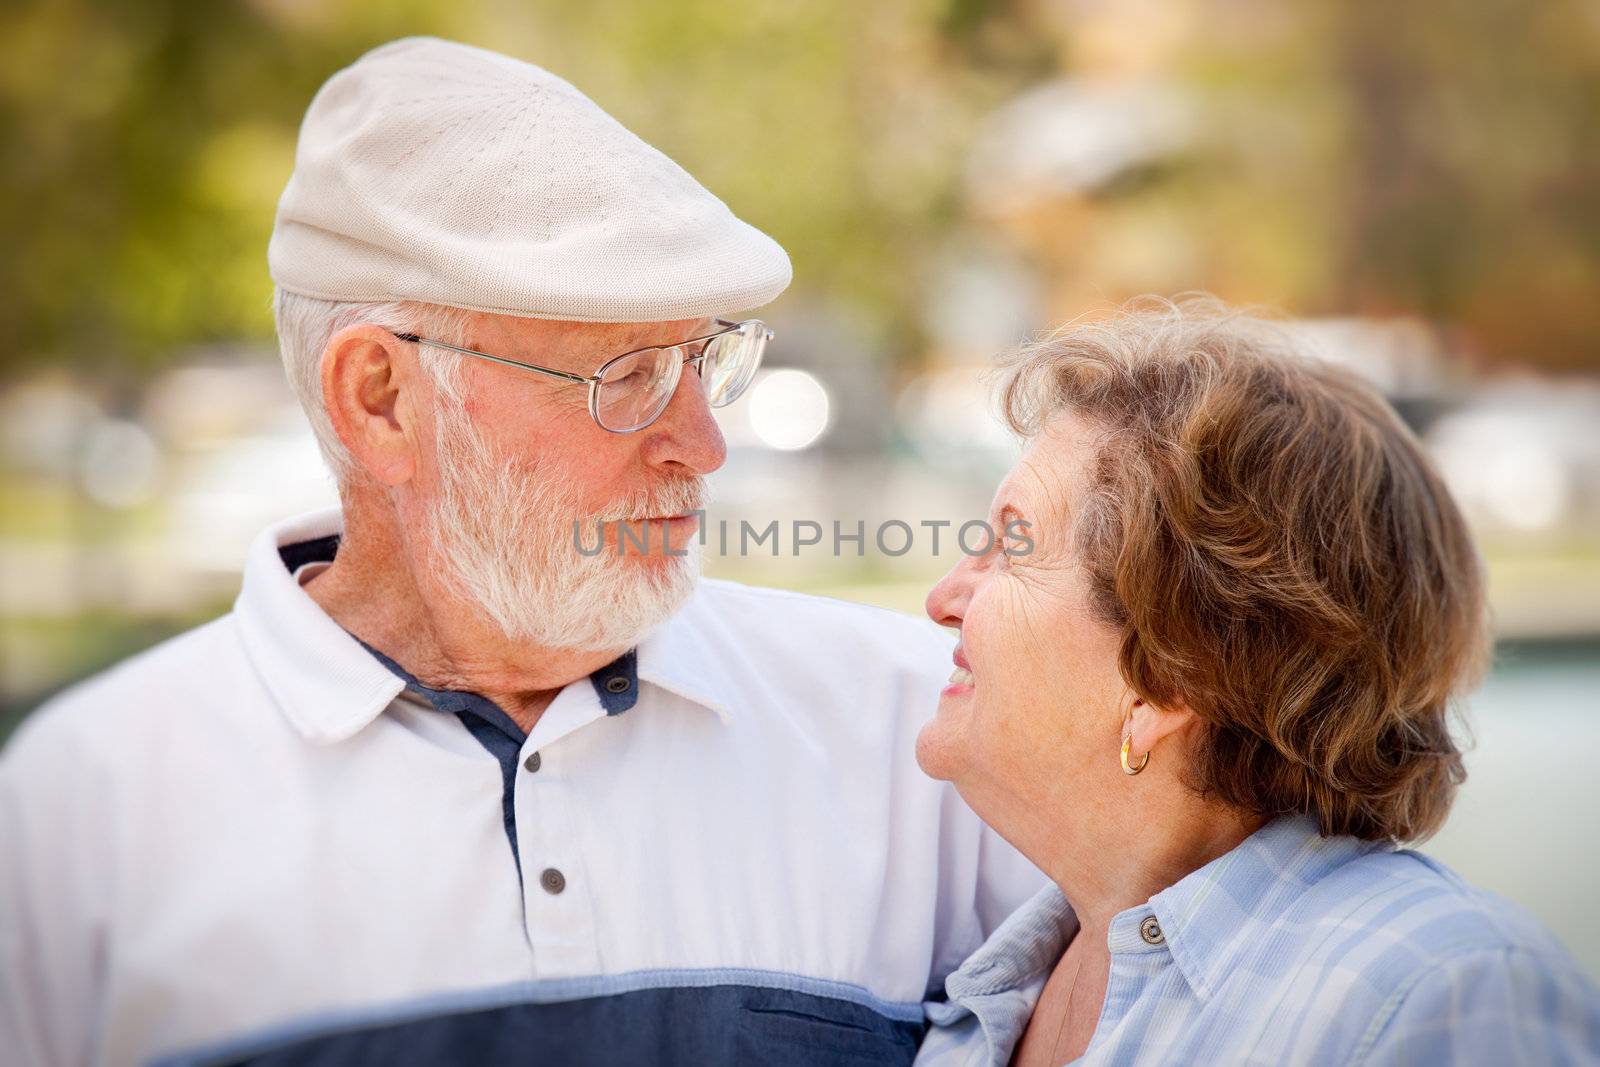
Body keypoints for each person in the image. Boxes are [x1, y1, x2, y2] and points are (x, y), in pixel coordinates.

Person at [0, 37, 1041, 1067]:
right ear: (381, 400)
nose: (704, 444)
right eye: (627, 374)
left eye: (701, 361)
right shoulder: (82, 812)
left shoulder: (919, 737)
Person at [912, 299, 1600, 1066]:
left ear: (1169, 675)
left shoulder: (1439, 990)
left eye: (1013, 544)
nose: (942, 599)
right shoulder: (978, 1008)